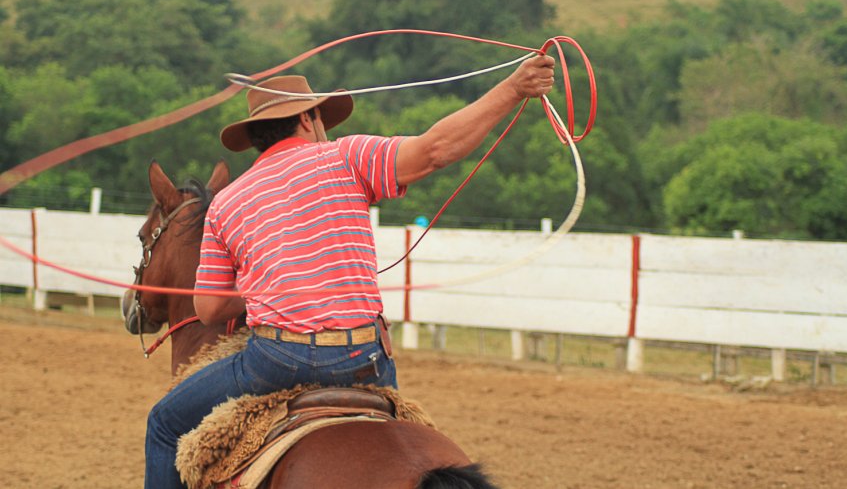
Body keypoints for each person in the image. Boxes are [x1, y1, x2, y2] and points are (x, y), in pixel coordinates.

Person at [144, 54, 555, 488]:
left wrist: (261, 289)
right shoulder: (346, 157)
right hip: (366, 359)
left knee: (164, 424)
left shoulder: (227, 202)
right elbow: (434, 150)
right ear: (307, 118)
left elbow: (208, 308)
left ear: (256, 137)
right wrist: (514, 88)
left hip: (277, 362)